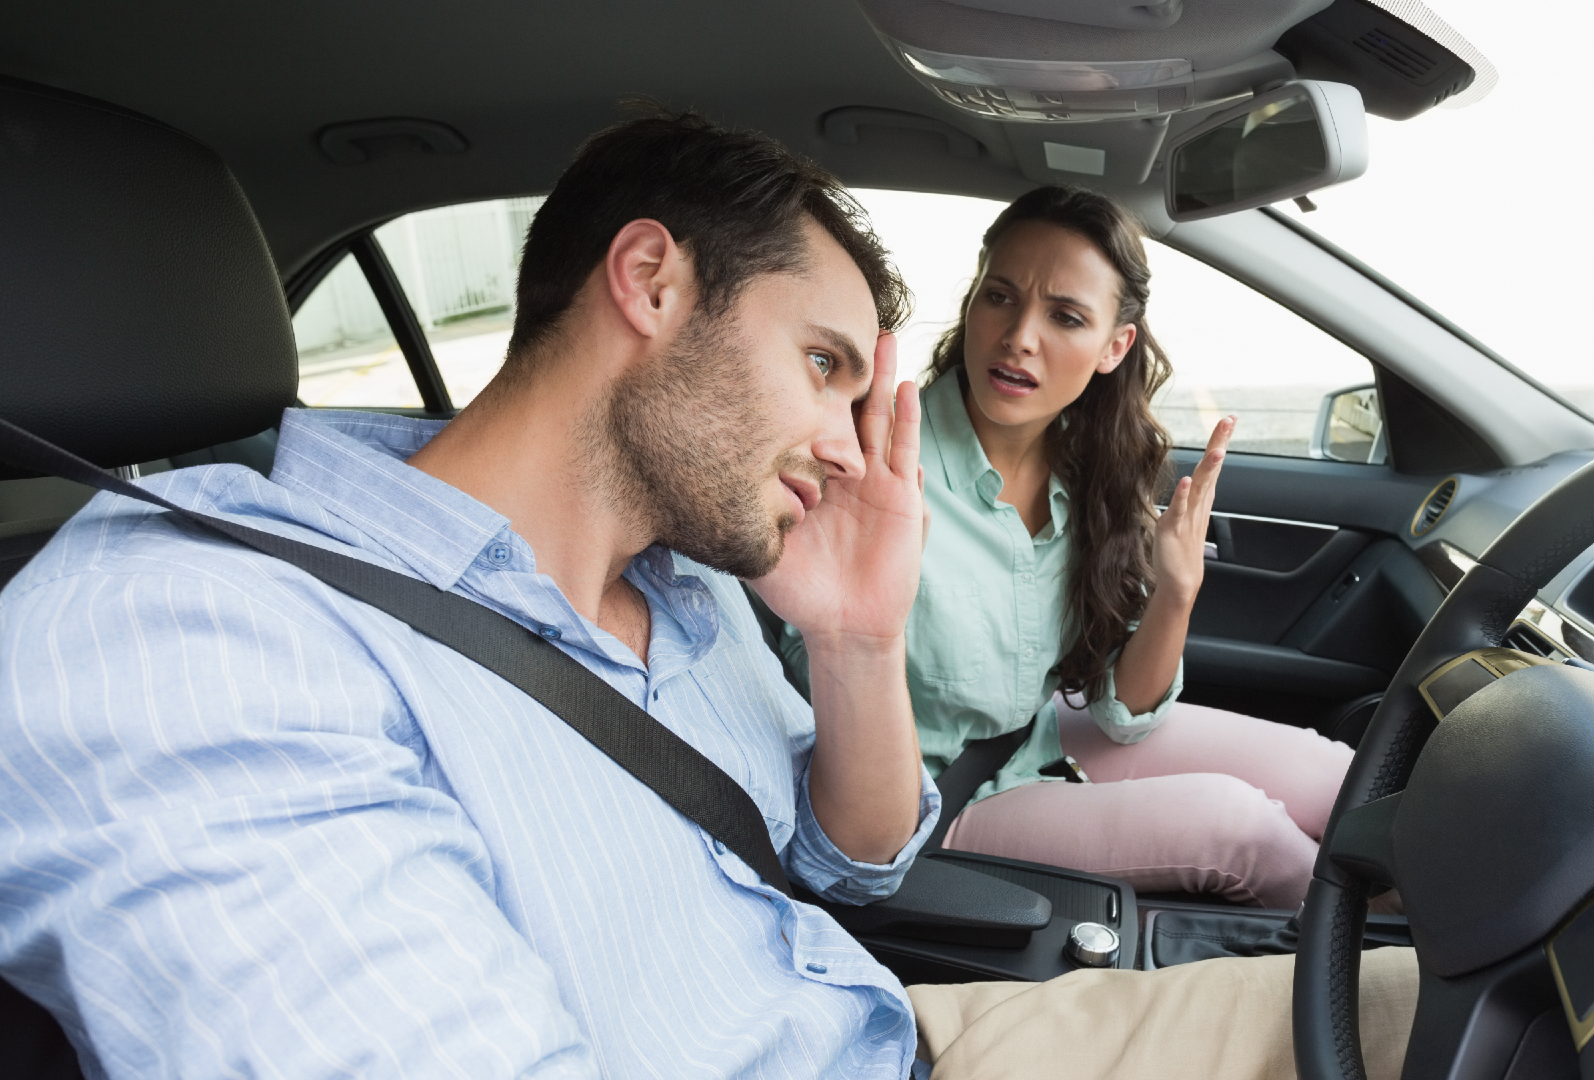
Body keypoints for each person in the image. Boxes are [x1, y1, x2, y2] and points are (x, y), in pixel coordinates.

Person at [0, 111, 1414, 1079]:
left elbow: (854, 865)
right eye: (823, 368)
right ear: (651, 283)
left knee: (1471, 1012)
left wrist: (858, 645)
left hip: (896, 1036)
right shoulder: (191, 635)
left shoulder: (682, 585)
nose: (849, 444)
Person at [779, 187, 1358, 910]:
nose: (1019, 335)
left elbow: (1122, 712)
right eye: (1000, 296)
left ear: (1115, 346)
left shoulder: (1091, 475)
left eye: (1065, 316)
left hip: (1034, 737)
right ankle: (1393, 964)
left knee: (1334, 774)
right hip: (926, 799)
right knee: (1241, 828)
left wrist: (1176, 592)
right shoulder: (878, 465)